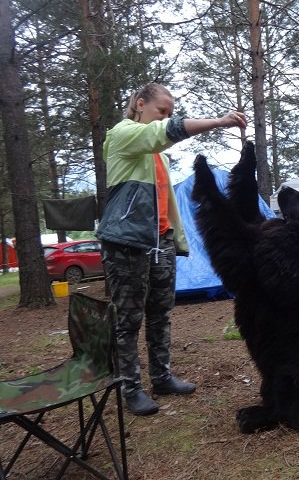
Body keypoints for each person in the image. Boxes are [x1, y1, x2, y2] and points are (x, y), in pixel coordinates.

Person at [97, 82, 247, 416]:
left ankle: (162, 377)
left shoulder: (156, 155)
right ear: (139, 104)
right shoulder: (124, 135)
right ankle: (130, 387)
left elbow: (166, 202)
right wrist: (220, 121)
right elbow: (168, 132)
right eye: (161, 111)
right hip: (127, 242)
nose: (166, 118)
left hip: (160, 242)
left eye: (169, 113)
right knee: (128, 318)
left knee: (160, 314)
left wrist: (175, 239)